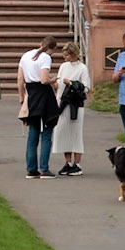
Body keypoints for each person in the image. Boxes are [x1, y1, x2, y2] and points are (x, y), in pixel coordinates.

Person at [17, 33, 61, 179]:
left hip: (31, 96)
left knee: (33, 134)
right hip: (44, 97)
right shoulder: (46, 57)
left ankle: (31, 169)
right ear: (52, 48)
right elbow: (43, 80)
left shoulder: (26, 55)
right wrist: (53, 79)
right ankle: (44, 169)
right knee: (46, 134)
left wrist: (22, 98)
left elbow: (20, 79)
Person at [53, 42, 92, 176]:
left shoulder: (82, 68)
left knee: (76, 134)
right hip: (63, 103)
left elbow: (86, 87)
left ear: (74, 54)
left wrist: (71, 83)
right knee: (63, 132)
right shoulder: (63, 66)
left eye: (67, 55)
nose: (65, 58)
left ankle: (77, 164)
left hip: (75, 104)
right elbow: (58, 84)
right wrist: (54, 83)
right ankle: (68, 162)